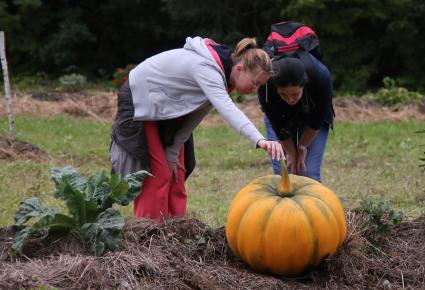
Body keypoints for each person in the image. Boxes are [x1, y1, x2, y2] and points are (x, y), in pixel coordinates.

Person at [110, 36, 284, 221]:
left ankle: (177, 229)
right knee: (158, 174)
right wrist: (260, 139)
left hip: (169, 108)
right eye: (255, 82)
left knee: (177, 171)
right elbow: (227, 108)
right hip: (141, 100)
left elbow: (195, 116)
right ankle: (148, 234)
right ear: (240, 69)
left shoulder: (225, 77)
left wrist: (173, 150)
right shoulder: (207, 69)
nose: (255, 89)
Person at [258, 54, 333, 182]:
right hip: (280, 117)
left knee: (308, 172)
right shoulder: (265, 83)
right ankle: (285, 202)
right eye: (283, 94)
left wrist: (302, 147)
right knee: (284, 170)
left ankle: (312, 201)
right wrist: (291, 152)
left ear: (304, 85)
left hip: (313, 116)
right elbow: (277, 123)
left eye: (295, 94)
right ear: (276, 88)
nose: (290, 99)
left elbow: (317, 119)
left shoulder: (321, 76)